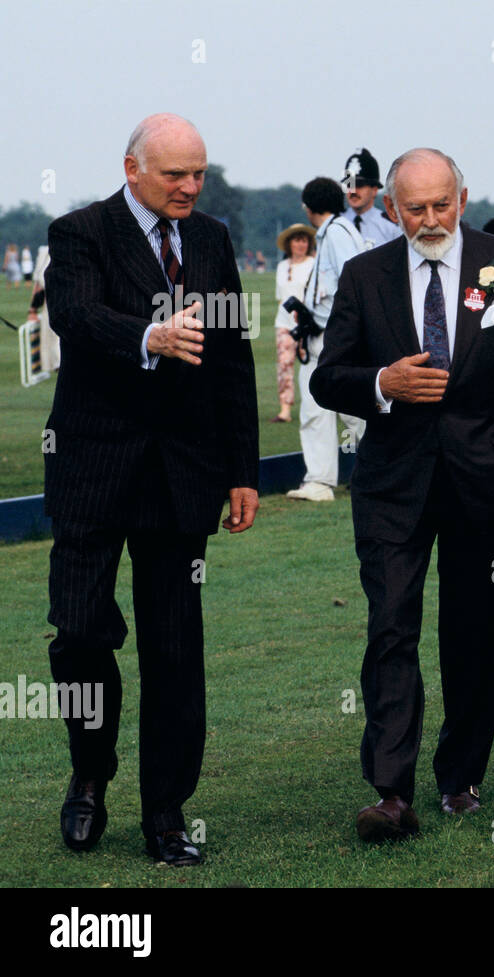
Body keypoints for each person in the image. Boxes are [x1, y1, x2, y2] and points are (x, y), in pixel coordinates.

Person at [310, 147, 494, 842]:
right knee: (391, 626)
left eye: (441, 205)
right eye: (415, 208)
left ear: (463, 198)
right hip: (392, 486)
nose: (429, 220)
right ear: (392, 207)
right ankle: (391, 791)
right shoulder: (364, 275)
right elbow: (327, 378)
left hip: (488, 484)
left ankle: (460, 775)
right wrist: (381, 384)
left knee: (478, 631)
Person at [42, 113, 259, 866]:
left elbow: (231, 356)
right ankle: (89, 772)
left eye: (199, 173)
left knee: (173, 648)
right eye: (176, 174)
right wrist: (149, 337)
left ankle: (166, 813)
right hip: (92, 470)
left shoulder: (212, 239)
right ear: (132, 168)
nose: (191, 187)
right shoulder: (79, 233)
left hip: (182, 475)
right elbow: (74, 315)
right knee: (79, 634)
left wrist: (242, 469)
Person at [286, 176, 366, 502]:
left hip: (334, 337)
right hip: (331, 334)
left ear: (308, 207)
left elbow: (351, 281)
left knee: (336, 410)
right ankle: (324, 480)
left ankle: (322, 481)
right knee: (340, 409)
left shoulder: (335, 233)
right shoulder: (339, 229)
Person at [271, 223, 316, 422]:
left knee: (311, 365)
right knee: (284, 365)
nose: (301, 244)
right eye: (297, 240)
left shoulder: (314, 264)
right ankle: (285, 410)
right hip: (284, 323)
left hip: (307, 324)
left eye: (304, 240)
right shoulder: (282, 266)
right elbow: (280, 297)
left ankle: (317, 406)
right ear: (290, 244)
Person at [341, 147, 401, 249]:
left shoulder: (390, 226)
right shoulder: (337, 222)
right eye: (349, 185)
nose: (353, 191)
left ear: (374, 190)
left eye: (359, 185)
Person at [26, 245, 58, 374]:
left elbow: (39, 286)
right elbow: (39, 286)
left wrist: (32, 310)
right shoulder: (45, 253)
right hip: (51, 304)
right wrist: (32, 310)